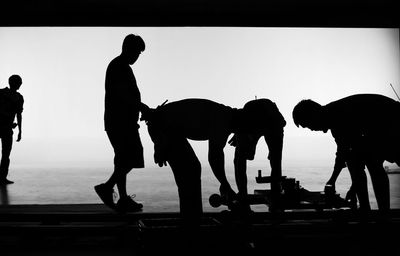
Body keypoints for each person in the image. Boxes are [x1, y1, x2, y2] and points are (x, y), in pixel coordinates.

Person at [140, 98, 286, 223]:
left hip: (164, 124)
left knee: (192, 169)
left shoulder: (227, 118)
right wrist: (226, 185)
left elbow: (219, 157)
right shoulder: (222, 122)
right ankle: (191, 227)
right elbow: (215, 158)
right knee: (190, 172)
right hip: (161, 126)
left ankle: (192, 222)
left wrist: (225, 185)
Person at [292, 94, 400, 216]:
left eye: (308, 125)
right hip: (383, 122)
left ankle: (382, 215)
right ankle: (367, 210)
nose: (311, 129)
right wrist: (333, 180)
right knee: (356, 161)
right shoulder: (333, 118)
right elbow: (343, 153)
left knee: (372, 162)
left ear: (313, 115)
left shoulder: (338, 116)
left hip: (391, 119)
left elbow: (356, 150)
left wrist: (353, 188)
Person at [95, 34, 146, 213]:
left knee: (122, 159)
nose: (137, 57)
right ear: (128, 49)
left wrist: (138, 108)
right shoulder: (119, 67)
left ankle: (123, 198)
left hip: (120, 121)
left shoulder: (120, 66)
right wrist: (142, 107)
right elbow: (124, 96)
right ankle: (107, 187)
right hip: (120, 122)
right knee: (133, 156)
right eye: (137, 53)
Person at [0, 75, 24, 185]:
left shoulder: (2, 93)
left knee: (6, 155)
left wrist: (19, 130)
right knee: (6, 155)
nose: (20, 84)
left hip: (7, 128)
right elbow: (18, 115)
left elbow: (18, 115)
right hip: (6, 128)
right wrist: (19, 130)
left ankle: (2, 177)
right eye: (19, 82)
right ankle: (2, 178)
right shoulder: (18, 97)